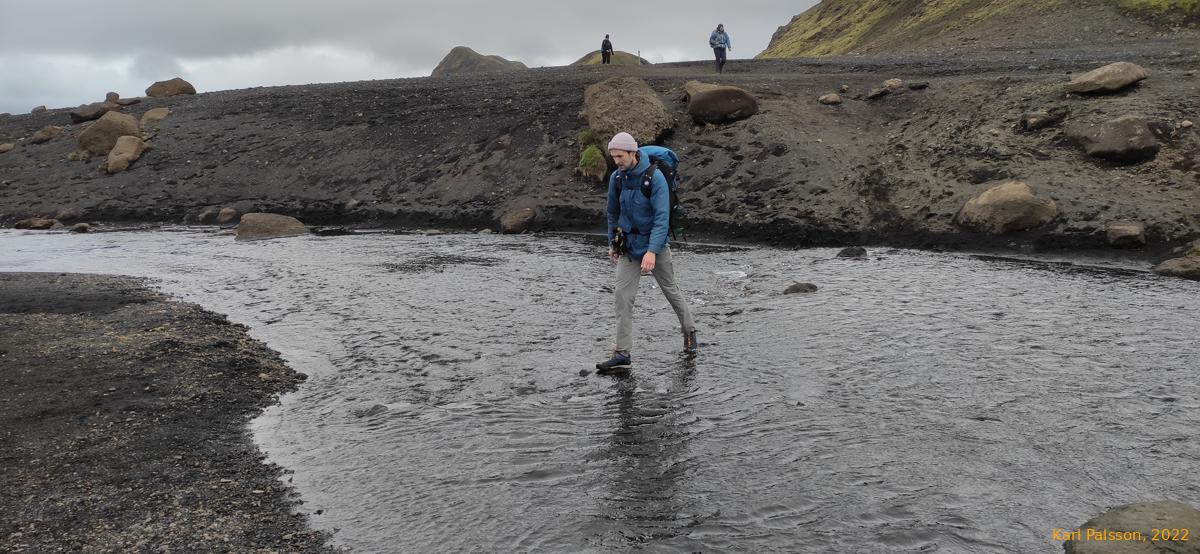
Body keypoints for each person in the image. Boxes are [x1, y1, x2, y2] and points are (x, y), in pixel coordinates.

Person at [596, 132, 697, 373]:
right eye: (613, 157)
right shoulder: (616, 179)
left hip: (656, 246)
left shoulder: (655, 177)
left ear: (633, 153)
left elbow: (662, 220)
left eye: (620, 156)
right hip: (629, 246)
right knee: (622, 298)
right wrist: (612, 243)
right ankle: (622, 353)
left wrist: (652, 251)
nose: (616, 161)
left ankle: (690, 332)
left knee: (671, 290)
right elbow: (612, 213)